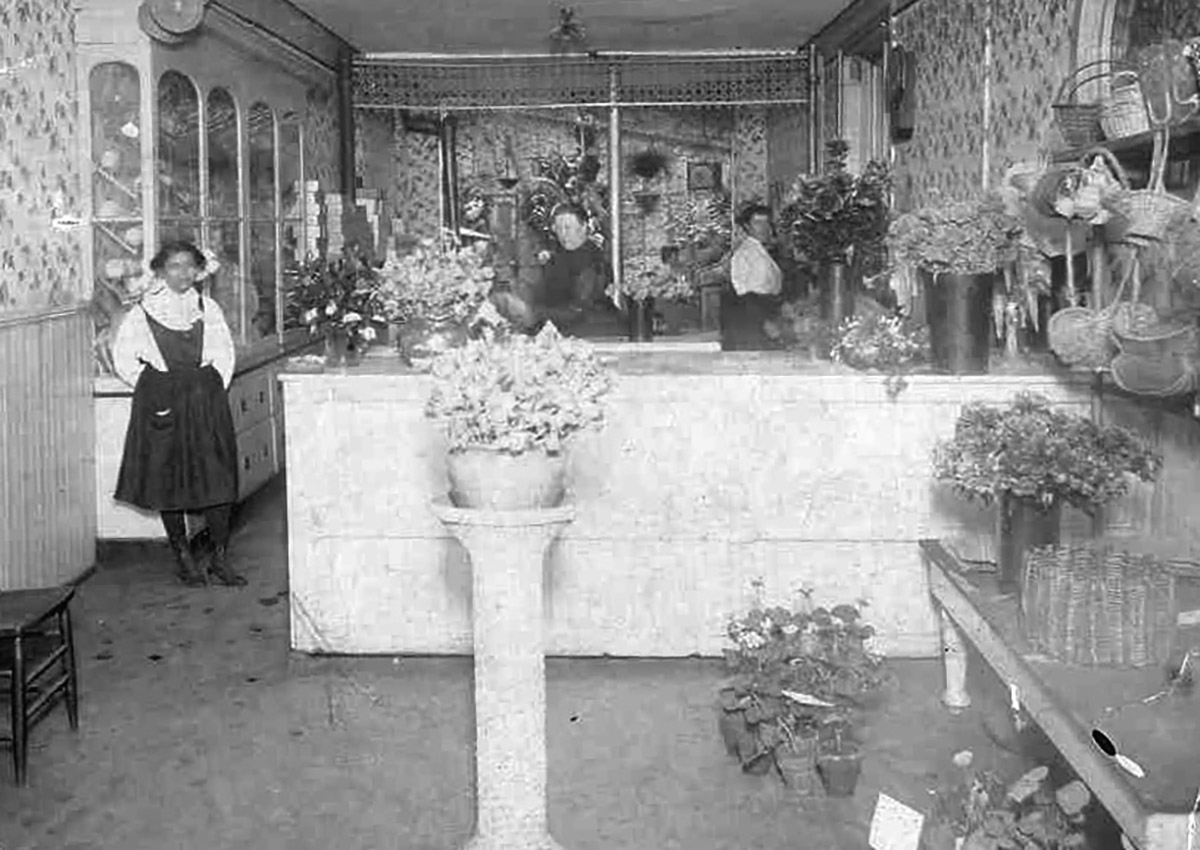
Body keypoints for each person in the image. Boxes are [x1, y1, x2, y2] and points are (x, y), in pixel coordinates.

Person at [111, 240, 245, 587]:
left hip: (205, 400)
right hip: (163, 401)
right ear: (160, 271)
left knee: (217, 477)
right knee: (168, 478)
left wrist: (212, 385)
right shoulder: (144, 311)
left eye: (189, 266)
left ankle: (219, 556)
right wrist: (155, 385)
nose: (182, 273)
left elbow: (224, 353)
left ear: (198, 270)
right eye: (174, 266)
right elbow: (124, 358)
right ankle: (182, 556)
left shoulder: (208, 307)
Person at [524, 203, 621, 335]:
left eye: (567, 228)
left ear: (583, 227)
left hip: (595, 331)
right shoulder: (554, 259)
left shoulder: (594, 261)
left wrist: (534, 313)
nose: (563, 234)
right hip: (556, 329)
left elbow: (580, 308)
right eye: (558, 228)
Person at [721, 203, 785, 350]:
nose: (763, 228)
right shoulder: (743, 253)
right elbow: (741, 294)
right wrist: (764, 321)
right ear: (747, 226)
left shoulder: (762, 251)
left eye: (766, 223)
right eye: (757, 223)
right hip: (752, 319)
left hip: (768, 312)